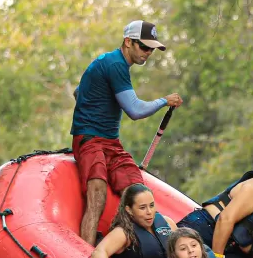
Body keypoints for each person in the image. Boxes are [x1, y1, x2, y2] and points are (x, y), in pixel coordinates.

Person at [71, 20, 183, 245]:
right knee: (98, 192)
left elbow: (78, 92)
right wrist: (164, 100)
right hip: (90, 139)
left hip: (111, 142)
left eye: (152, 49)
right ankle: (85, 254)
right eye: (144, 47)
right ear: (128, 42)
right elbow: (134, 110)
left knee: (137, 191)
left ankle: (147, 247)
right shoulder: (115, 64)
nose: (148, 53)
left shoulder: (111, 64)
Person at [89, 184, 173, 258]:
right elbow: (98, 252)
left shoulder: (167, 223)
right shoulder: (123, 233)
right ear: (129, 210)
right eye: (142, 208)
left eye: (151, 205)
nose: (149, 212)